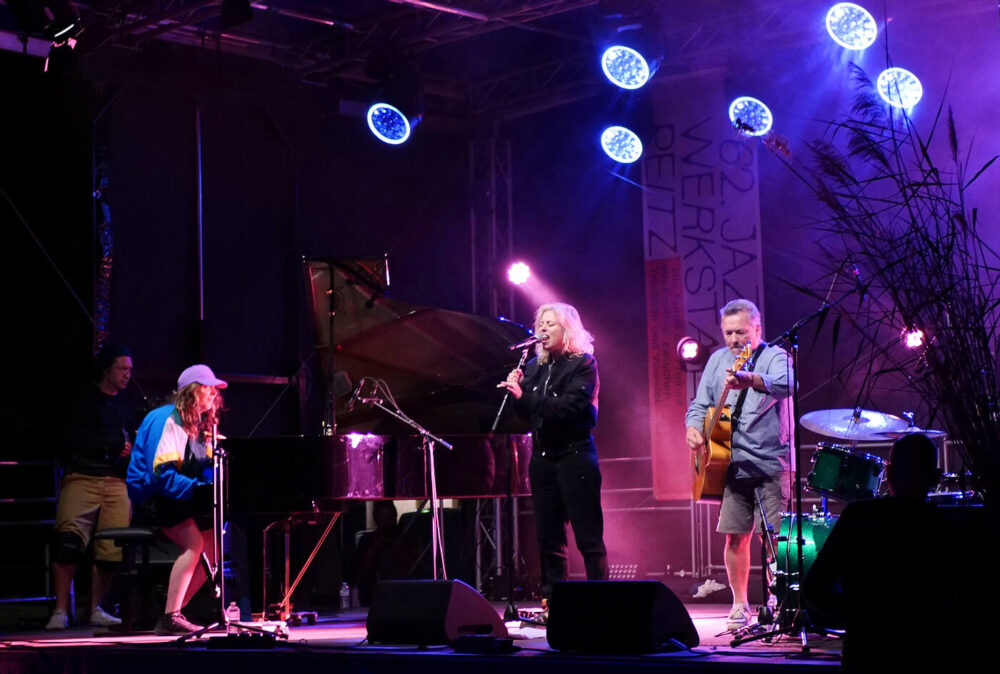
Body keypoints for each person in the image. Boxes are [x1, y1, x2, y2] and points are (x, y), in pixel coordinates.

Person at [802, 433, 980, 670]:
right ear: (935, 477)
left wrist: (859, 618)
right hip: (927, 654)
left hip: (865, 655)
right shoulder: (949, 528)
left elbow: (814, 586)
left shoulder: (858, 517)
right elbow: (970, 599)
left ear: (888, 472)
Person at [684, 299, 793, 630]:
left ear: (757, 329)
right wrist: (692, 426)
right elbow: (700, 404)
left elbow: (789, 384)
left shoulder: (775, 356)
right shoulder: (717, 360)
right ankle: (739, 604)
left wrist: (751, 379)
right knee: (734, 537)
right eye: (728, 333)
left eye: (741, 332)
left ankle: (779, 601)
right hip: (731, 464)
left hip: (770, 463)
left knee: (774, 539)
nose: (734, 339)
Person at [498, 303, 609, 608]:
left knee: (588, 536)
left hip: (576, 455)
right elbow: (527, 414)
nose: (543, 329)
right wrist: (516, 393)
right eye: (540, 324)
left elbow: (569, 408)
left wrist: (526, 397)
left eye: (550, 324)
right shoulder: (535, 366)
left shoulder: (583, 363)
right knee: (548, 537)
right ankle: (553, 603)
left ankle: (601, 602)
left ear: (567, 329)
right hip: (543, 459)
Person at [126, 364, 226, 635]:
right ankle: (171, 616)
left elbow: (202, 471)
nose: (214, 393)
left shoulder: (197, 424)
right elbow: (162, 477)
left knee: (213, 546)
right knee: (195, 543)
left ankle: (173, 612)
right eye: (208, 388)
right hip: (153, 499)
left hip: (176, 497)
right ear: (192, 391)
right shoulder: (167, 419)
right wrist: (199, 488)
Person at [47, 343, 137, 630]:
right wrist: (110, 445)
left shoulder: (127, 405)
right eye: (122, 369)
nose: (127, 375)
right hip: (82, 477)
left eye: (130, 369)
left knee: (112, 549)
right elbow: (69, 438)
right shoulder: (83, 400)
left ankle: (95, 608)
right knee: (67, 542)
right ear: (106, 369)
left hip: (116, 481)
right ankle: (61, 610)